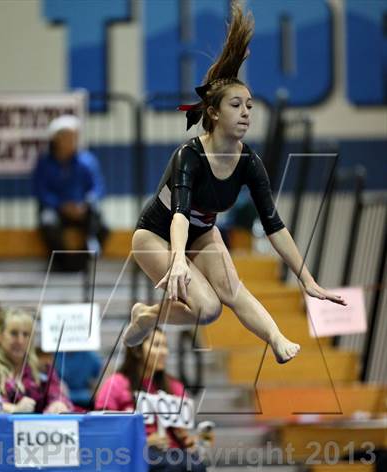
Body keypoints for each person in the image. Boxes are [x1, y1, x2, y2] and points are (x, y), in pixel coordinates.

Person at [123, 2, 346, 363]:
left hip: (202, 231)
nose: (246, 113)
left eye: (250, 106)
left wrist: (306, 278)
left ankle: (274, 338)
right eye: (236, 106)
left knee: (231, 290)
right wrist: (178, 259)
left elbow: (274, 225)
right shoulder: (189, 156)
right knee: (208, 309)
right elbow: (179, 212)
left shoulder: (248, 162)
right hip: (155, 235)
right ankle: (147, 315)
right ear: (213, 112)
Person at [95, 327, 211, 472]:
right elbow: (104, 430)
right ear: (138, 350)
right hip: (132, 456)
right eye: (156, 345)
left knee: (196, 466)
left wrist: (188, 440)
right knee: (169, 466)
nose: (164, 352)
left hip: (172, 455)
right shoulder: (116, 385)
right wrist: (143, 442)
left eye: (165, 345)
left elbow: (183, 430)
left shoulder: (173, 387)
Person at [33, 114, 109, 272]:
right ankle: (60, 264)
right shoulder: (45, 163)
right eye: (68, 137)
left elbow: (97, 187)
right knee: (48, 223)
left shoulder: (87, 160)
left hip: (82, 209)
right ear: (56, 139)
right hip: (56, 210)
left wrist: (86, 203)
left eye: (74, 137)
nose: (72, 141)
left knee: (102, 226)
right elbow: (41, 190)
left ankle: (83, 261)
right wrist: (61, 206)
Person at [0, 308, 73, 414]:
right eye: (14, 333)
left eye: (26, 334)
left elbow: (58, 396)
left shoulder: (43, 370)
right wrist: (14, 409)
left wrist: (58, 404)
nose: (20, 341)